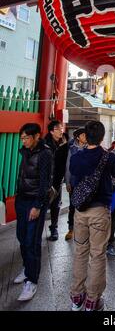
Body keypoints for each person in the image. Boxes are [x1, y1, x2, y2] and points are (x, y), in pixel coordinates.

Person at [70, 121, 115, 311]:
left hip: (80, 211)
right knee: (98, 254)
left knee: (80, 251)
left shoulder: (76, 157)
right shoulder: (108, 157)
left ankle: (76, 297)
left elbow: (74, 177)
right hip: (100, 211)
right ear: (102, 136)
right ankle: (92, 300)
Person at [14, 123, 53, 301]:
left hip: (34, 202)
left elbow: (45, 182)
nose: (23, 141)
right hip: (21, 200)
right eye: (21, 138)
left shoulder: (45, 153)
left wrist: (37, 206)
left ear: (37, 136)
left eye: (26, 138)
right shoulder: (25, 150)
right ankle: (27, 267)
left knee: (32, 241)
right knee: (22, 237)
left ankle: (32, 280)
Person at [44, 120, 67, 241]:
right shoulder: (44, 144)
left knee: (56, 205)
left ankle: (54, 228)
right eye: (59, 129)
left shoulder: (64, 143)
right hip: (46, 180)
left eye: (62, 128)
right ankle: (37, 229)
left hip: (58, 179)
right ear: (52, 131)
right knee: (43, 204)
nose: (62, 131)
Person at [64, 127, 87, 241]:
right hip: (74, 181)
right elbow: (68, 166)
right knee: (73, 206)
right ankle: (71, 228)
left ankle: (84, 229)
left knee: (86, 206)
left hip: (87, 183)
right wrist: (68, 182)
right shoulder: (72, 149)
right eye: (83, 135)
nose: (85, 137)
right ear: (78, 137)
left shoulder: (90, 148)